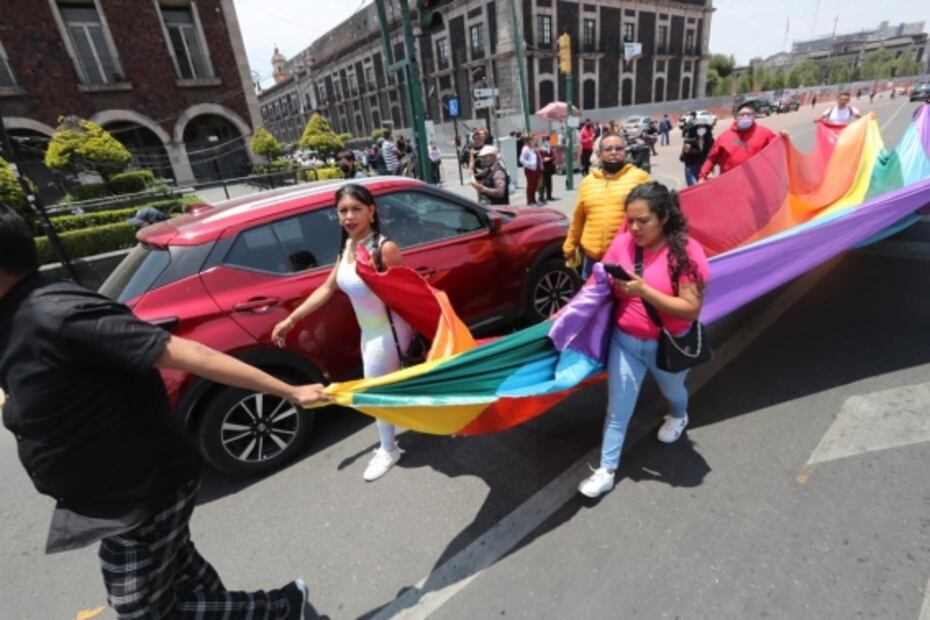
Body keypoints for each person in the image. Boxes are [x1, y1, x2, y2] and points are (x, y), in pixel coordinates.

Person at [0, 208, 328, 619]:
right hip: (112, 492)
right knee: (181, 572)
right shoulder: (15, 315)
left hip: (139, 492)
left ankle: (280, 607)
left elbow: (188, 352)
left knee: (139, 609)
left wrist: (290, 391)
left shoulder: (58, 314)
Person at [577, 182, 710, 498]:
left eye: (642, 221)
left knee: (673, 391)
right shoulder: (623, 244)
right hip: (624, 343)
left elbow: (691, 309)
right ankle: (607, 470)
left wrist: (644, 291)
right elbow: (599, 285)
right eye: (630, 220)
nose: (633, 228)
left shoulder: (686, 252)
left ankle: (679, 415)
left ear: (663, 216)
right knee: (617, 408)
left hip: (667, 346)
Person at [272, 184, 412, 482]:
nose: (349, 216)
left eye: (356, 209)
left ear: (372, 211)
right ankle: (391, 442)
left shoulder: (384, 248)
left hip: (389, 333)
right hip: (370, 332)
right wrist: (292, 319)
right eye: (342, 210)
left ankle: (389, 448)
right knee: (383, 390)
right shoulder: (347, 246)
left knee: (375, 393)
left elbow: (408, 295)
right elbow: (327, 288)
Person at [563, 133, 652, 280]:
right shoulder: (588, 182)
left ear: (625, 151)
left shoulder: (640, 177)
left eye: (619, 148)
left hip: (625, 259)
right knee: (592, 302)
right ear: (599, 154)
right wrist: (569, 246)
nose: (614, 153)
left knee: (622, 302)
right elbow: (579, 218)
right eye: (608, 149)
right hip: (591, 262)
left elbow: (655, 213)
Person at [698, 102, 778, 182]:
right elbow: (711, 158)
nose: (745, 117)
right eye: (742, 114)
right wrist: (702, 176)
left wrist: (784, 137)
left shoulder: (764, 133)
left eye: (749, 114)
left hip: (756, 182)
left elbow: (778, 148)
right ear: (736, 117)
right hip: (730, 182)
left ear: (754, 117)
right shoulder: (724, 137)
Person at [680, 123, 714, 187]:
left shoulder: (710, 140)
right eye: (699, 127)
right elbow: (685, 153)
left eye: (703, 127)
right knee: (694, 187)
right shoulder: (689, 140)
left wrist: (711, 169)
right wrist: (689, 145)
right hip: (691, 166)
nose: (701, 129)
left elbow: (713, 154)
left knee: (706, 187)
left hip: (705, 166)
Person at [520, 134, 542, 207]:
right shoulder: (526, 148)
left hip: (536, 169)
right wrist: (530, 165)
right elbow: (522, 159)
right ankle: (529, 201)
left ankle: (533, 199)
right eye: (534, 140)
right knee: (530, 185)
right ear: (529, 140)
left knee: (535, 185)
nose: (536, 141)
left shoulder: (534, 148)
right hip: (530, 170)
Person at [538, 140, 556, 204]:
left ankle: (549, 195)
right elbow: (539, 157)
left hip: (549, 168)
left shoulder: (550, 149)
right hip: (543, 168)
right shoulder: (540, 150)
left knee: (549, 182)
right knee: (542, 183)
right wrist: (543, 159)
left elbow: (554, 156)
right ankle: (541, 196)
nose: (546, 143)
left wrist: (550, 158)